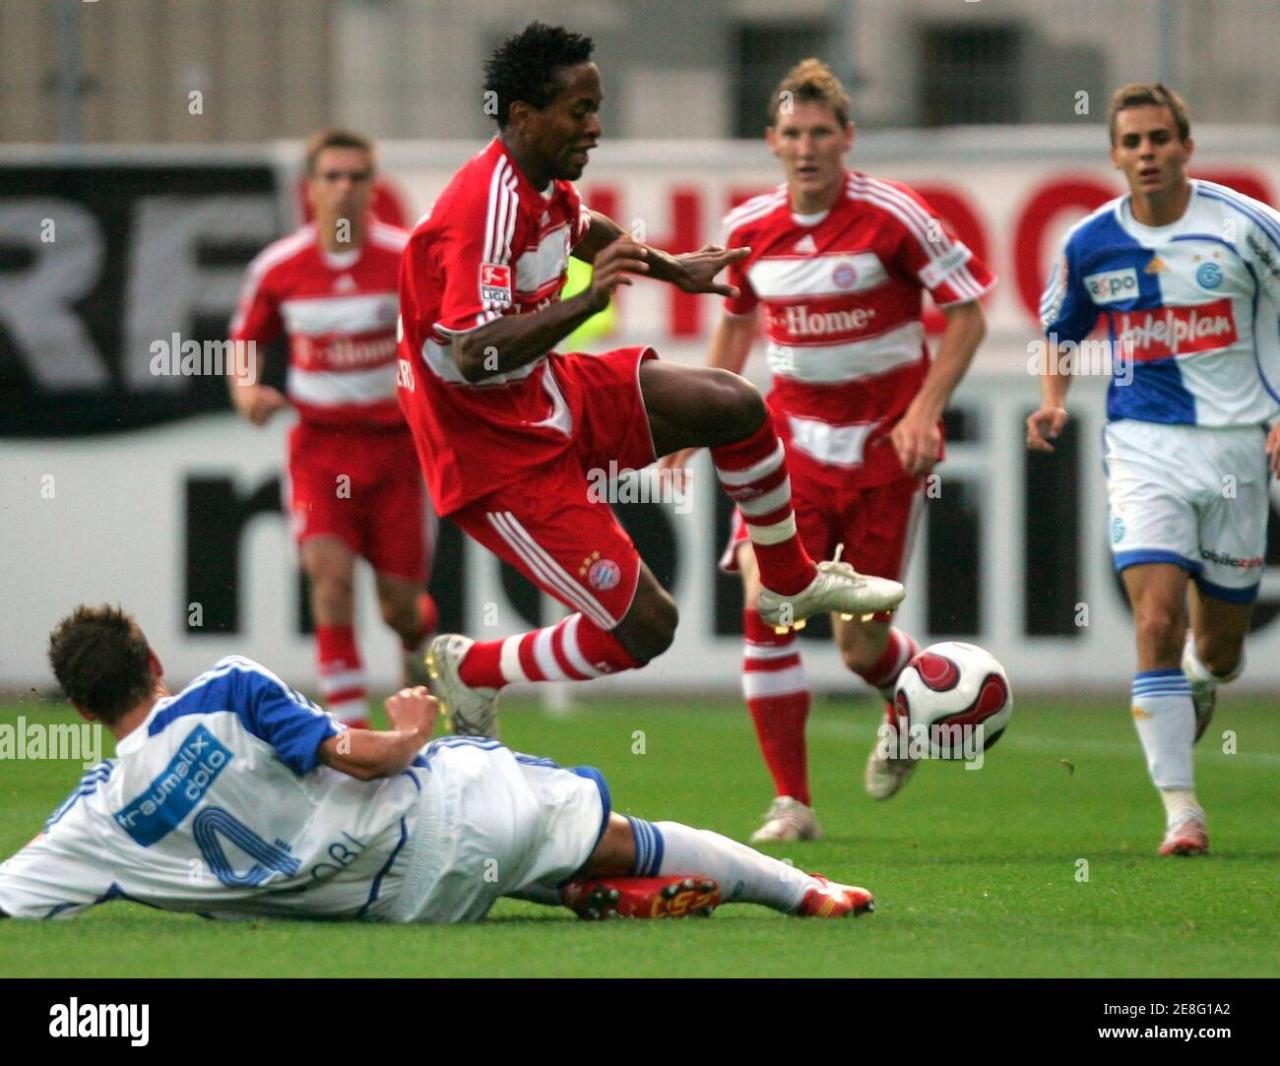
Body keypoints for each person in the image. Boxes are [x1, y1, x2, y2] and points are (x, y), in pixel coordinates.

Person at [397, 23, 905, 739]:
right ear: (522, 116)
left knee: (732, 404)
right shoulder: (485, 206)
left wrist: (672, 267)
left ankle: (788, 581)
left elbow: (586, 227)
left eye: (596, 107)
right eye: (580, 111)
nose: (596, 127)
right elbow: (470, 353)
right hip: (491, 453)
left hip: (545, 391)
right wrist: (586, 302)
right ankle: (475, 668)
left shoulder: (539, 181)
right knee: (646, 629)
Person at [0, 604, 874, 923]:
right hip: (448, 813)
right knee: (617, 834)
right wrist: (414, 727)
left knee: (514, 859)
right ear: (155, 661)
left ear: (81, 709)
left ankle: (574, 894)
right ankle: (798, 889)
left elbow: (12, 894)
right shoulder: (225, 689)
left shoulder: (96, 821)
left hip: (405, 909)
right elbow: (362, 760)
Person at [661, 60, 991, 842]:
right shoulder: (748, 228)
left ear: (846, 139)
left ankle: (914, 696)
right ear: (772, 141)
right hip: (787, 449)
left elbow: (969, 313)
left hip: (883, 454)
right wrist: (695, 416)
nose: (806, 148)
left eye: (821, 133)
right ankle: (793, 804)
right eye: (792, 134)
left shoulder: (895, 216)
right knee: (767, 604)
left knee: (858, 645)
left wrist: (924, 410)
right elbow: (738, 322)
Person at [1028, 83, 1280, 856]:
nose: (1147, 154)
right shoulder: (1091, 243)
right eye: (1132, 141)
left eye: (1160, 139)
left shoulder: (1248, 229)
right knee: (1155, 619)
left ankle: (1204, 679)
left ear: (1186, 147)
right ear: (1114, 155)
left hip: (1238, 448)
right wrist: (1053, 401)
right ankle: (1182, 811)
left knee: (1225, 649)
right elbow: (1059, 329)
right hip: (1144, 444)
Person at [229, 129, 437, 728]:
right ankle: (352, 738)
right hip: (321, 451)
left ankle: (420, 666)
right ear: (310, 190)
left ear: (374, 188)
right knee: (331, 581)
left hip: (397, 451)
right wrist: (247, 392)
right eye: (332, 177)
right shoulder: (279, 267)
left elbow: (445, 336)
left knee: (400, 608)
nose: (344, 188)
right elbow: (245, 339)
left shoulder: (405, 259)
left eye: (356, 177)